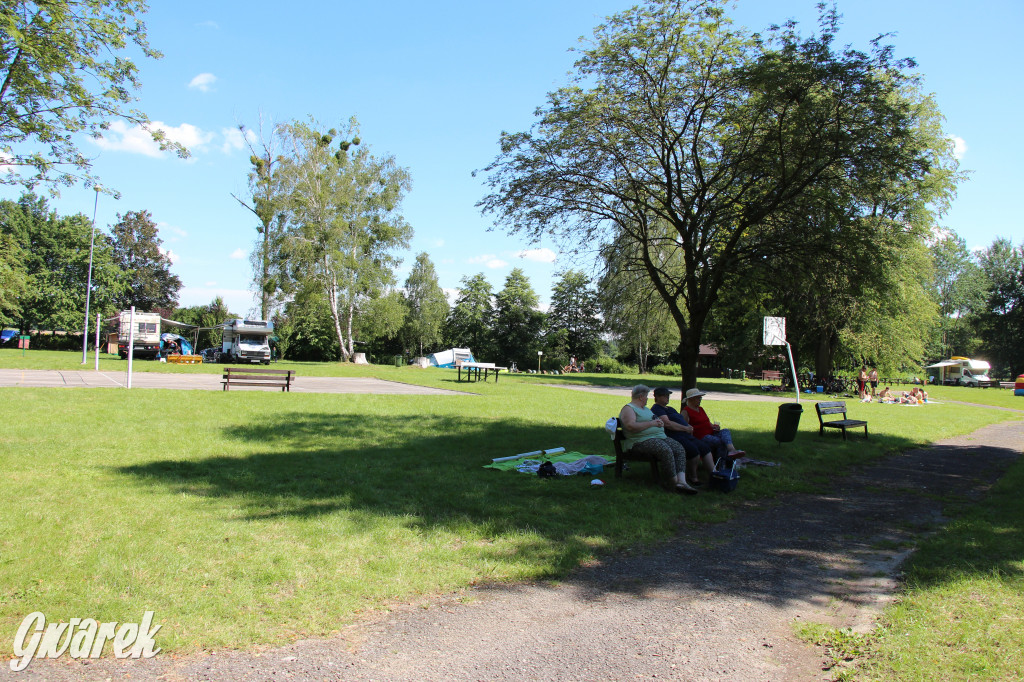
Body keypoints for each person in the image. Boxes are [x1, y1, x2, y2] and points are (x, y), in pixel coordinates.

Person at [618, 385, 698, 494]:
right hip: (639, 441)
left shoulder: (645, 409)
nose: (647, 399)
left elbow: (655, 420)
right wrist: (652, 423)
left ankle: (682, 482)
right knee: (665, 450)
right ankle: (673, 484)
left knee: (679, 448)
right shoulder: (629, 408)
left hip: (658, 437)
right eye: (646, 396)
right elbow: (630, 426)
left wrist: (658, 423)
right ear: (641, 396)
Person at [651, 386, 714, 487]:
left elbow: (681, 420)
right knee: (694, 451)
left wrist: (688, 427)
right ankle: (693, 477)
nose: (668, 397)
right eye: (665, 395)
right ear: (657, 397)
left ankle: (714, 475)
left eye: (668, 395)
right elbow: (667, 424)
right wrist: (686, 428)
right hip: (674, 435)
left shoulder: (670, 408)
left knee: (705, 448)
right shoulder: (657, 408)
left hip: (685, 434)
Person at [682, 387, 745, 461]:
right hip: (700, 437)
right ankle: (722, 463)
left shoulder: (700, 409)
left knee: (725, 431)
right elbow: (685, 427)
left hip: (710, 433)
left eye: (700, 398)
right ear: (691, 399)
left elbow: (706, 422)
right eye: (698, 398)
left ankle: (731, 450)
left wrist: (714, 427)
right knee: (719, 441)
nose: (700, 400)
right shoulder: (686, 411)